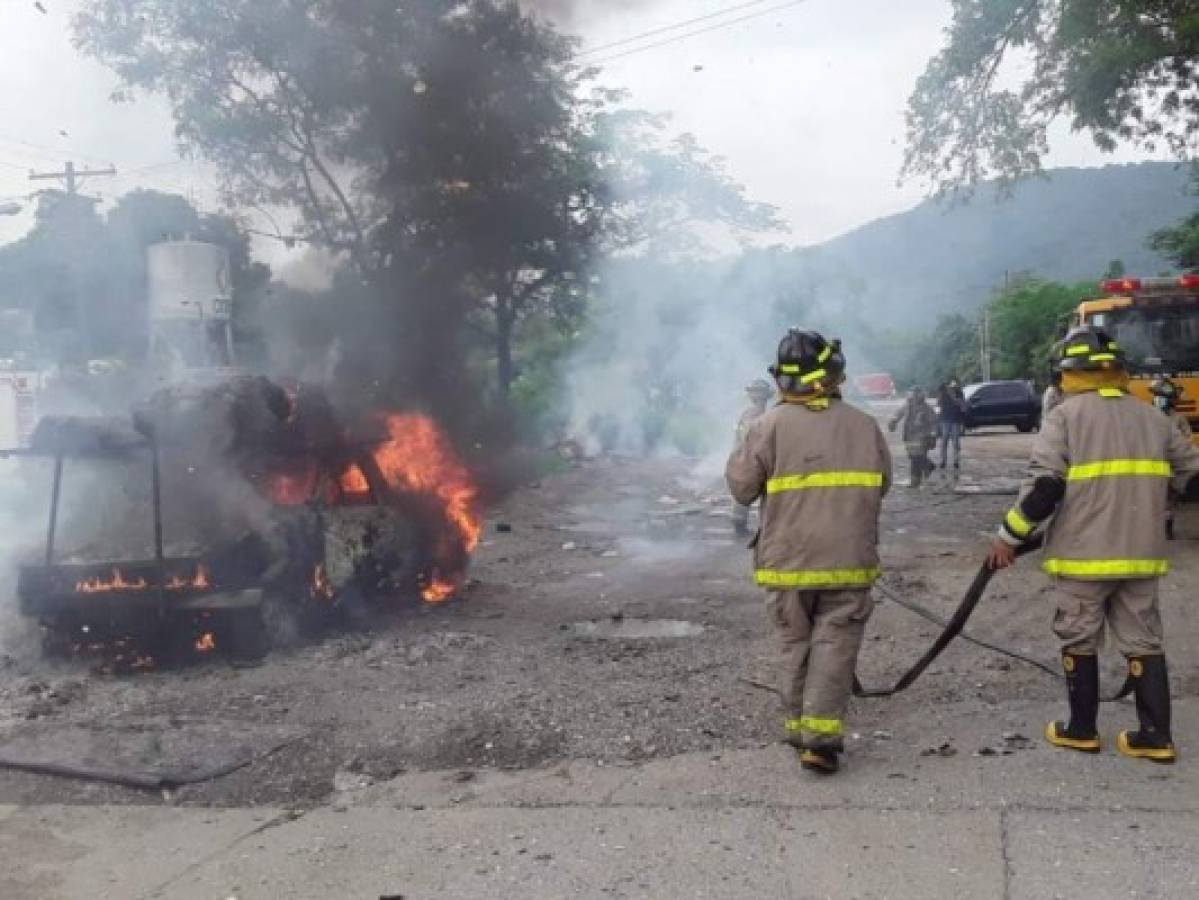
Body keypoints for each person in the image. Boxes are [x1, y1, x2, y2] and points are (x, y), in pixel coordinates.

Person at [989, 326, 1199, 763]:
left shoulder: (1064, 417)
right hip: (1141, 556)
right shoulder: (1153, 418)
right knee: (1144, 640)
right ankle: (1155, 735)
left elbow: (1046, 487)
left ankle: (1081, 729)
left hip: (1083, 556)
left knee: (1079, 637)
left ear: (1068, 372)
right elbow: (1193, 479)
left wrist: (1008, 538)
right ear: (1117, 370)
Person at [726, 329, 891, 774]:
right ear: (835, 375)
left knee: (794, 643)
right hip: (849, 561)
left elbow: (741, 490)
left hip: (787, 562)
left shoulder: (766, 426)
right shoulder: (864, 425)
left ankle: (799, 729)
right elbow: (883, 486)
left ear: (783, 381)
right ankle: (820, 740)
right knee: (835, 644)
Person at [1150, 376, 1192, 540]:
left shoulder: (1178, 418)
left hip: (1169, 465)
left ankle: (1166, 527)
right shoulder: (1147, 416)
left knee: (1168, 499)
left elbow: (1186, 440)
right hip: (1150, 464)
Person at [731, 379, 775, 537]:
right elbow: (748, 437)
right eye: (756, 392)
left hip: (748, 456)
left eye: (760, 392)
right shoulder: (755, 413)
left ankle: (741, 523)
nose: (758, 396)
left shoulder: (756, 413)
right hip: (750, 456)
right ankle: (740, 525)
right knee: (749, 489)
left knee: (747, 489)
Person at [888, 387, 937, 488]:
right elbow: (898, 414)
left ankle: (915, 481)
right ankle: (928, 466)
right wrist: (893, 421)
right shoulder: (907, 406)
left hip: (922, 436)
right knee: (913, 457)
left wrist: (933, 434)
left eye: (916, 394)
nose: (914, 397)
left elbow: (934, 422)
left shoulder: (926, 408)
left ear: (920, 395)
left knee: (916, 458)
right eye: (912, 394)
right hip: (909, 436)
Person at [936, 379, 967, 470]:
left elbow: (963, 407)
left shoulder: (959, 393)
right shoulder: (943, 394)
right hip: (945, 420)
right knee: (944, 442)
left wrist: (962, 421)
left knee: (955, 442)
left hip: (955, 421)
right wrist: (938, 420)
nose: (951, 388)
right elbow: (938, 407)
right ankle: (943, 461)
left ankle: (956, 461)